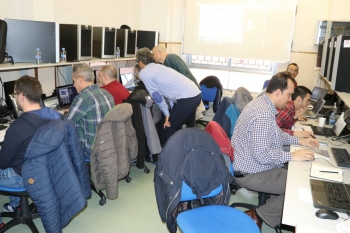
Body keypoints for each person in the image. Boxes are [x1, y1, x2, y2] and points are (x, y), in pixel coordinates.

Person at [231, 71, 319, 231]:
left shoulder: (264, 104)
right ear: (278, 92)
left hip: (252, 166)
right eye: (289, 95)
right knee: (300, 184)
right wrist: (293, 155)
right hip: (250, 172)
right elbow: (262, 155)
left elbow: (277, 135)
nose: (291, 100)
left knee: (296, 173)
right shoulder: (263, 113)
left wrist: (299, 140)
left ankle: (274, 204)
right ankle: (258, 215)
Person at [0, 75, 61, 227]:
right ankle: (17, 204)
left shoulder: (18, 127)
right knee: (16, 157)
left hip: (25, 175)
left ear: (21, 96)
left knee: (9, 161)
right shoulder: (55, 117)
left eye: (14, 94)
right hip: (47, 170)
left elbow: (3, 163)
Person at [135, 47, 201, 141]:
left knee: (170, 128)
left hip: (187, 98)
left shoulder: (144, 73)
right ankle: (183, 149)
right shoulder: (160, 67)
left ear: (140, 61)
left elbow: (156, 95)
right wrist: (169, 112)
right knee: (177, 126)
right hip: (195, 93)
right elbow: (169, 90)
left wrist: (166, 113)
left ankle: (173, 154)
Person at [64, 63, 114, 157]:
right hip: (108, 144)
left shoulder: (82, 99)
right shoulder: (106, 93)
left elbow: (66, 124)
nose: (73, 85)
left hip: (91, 149)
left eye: (73, 81)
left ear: (80, 80)